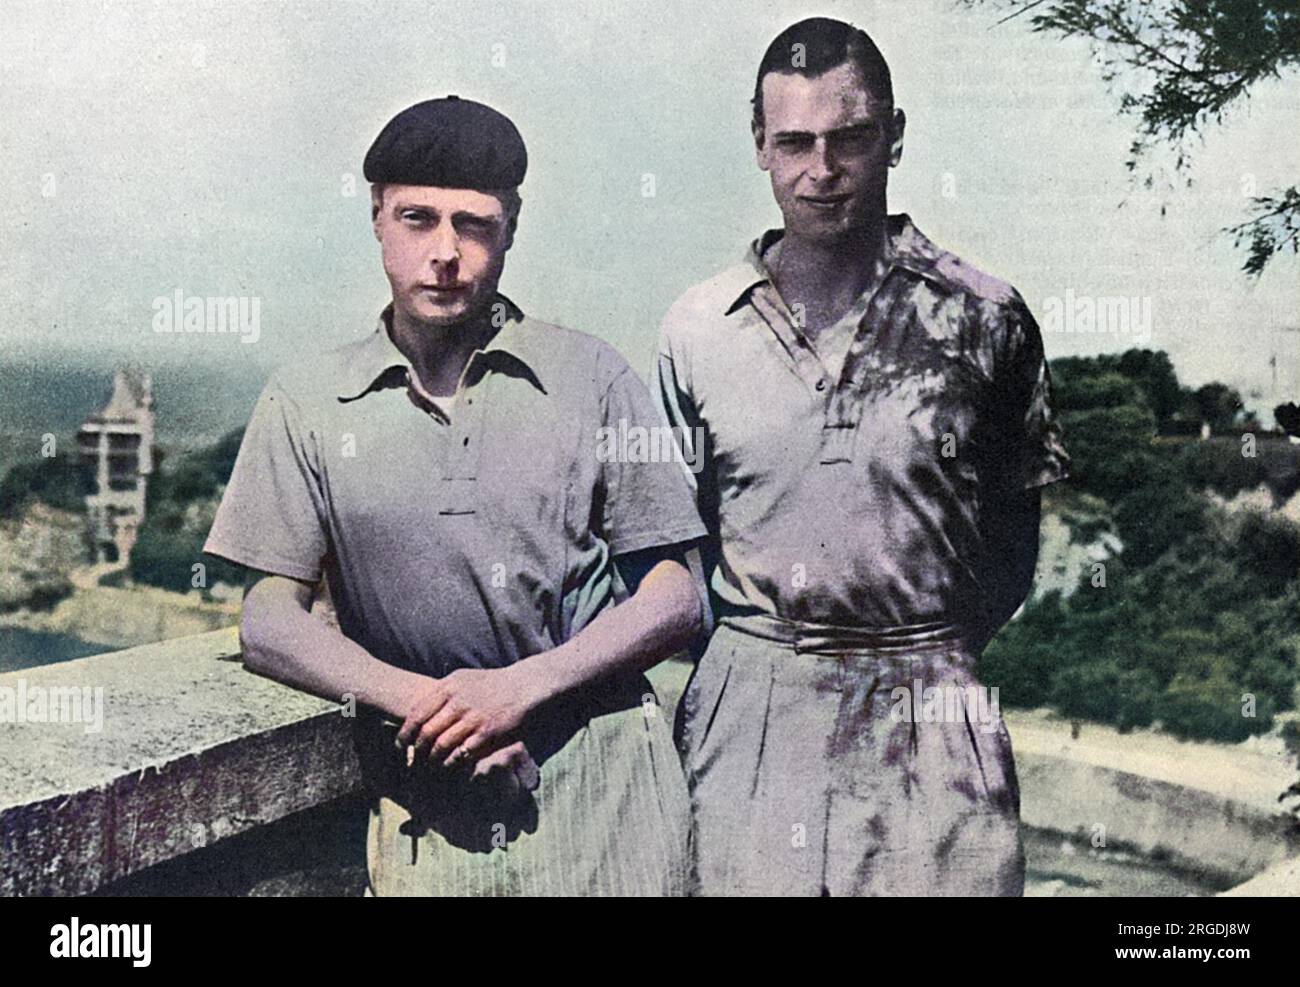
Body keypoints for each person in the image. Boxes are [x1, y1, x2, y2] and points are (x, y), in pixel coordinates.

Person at [204, 96, 708, 896]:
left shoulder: (591, 376)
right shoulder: (306, 400)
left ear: (511, 226)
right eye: (418, 219)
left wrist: (518, 689)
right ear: (376, 217)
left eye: (474, 225)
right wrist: (432, 704)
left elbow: (677, 596)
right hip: (428, 806)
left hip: (608, 797)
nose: (446, 253)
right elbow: (268, 620)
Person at [655, 18, 1070, 895]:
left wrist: (923, 653)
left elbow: (1010, 548)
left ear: (896, 136)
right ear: (759, 145)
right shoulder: (697, 329)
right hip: (751, 704)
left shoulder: (985, 318)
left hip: (931, 700)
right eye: (796, 142)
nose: (824, 169)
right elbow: (680, 549)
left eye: (851, 138)